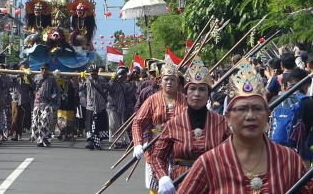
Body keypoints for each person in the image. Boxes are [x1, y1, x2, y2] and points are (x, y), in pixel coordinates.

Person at [178, 62, 313, 194]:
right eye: (242, 109)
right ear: (228, 117)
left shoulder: (289, 160)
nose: (250, 116)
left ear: (268, 114)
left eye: (257, 108)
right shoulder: (209, 163)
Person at [152, 59, 230, 194]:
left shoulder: (221, 122)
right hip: (182, 184)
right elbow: (157, 157)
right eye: (192, 89)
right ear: (186, 93)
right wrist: (163, 177)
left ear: (208, 94)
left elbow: (235, 152)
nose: (197, 94)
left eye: (202, 89)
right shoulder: (174, 123)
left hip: (213, 184)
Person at [132, 61, 187, 194]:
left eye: (172, 79)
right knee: (155, 186)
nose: (169, 82)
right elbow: (138, 122)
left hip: (178, 148)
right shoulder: (152, 100)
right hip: (154, 147)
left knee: (177, 185)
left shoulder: (186, 100)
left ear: (178, 82)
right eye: (166, 79)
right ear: (160, 81)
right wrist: (138, 144)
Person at [79, 64, 110, 150]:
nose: (94, 76)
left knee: (98, 125)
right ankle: (90, 142)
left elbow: (109, 88)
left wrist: (112, 80)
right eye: (92, 74)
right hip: (90, 107)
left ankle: (97, 142)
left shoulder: (101, 80)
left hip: (100, 107)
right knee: (90, 126)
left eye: (95, 74)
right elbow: (79, 88)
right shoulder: (87, 80)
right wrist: (82, 79)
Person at [30, 63, 61, 147]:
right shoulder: (36, 77)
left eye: (45, 69)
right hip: (37, 103)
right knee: (37, 122)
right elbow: (32, 87)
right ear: (40, 69)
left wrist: (58, 101)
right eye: (42, 69)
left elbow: (58, 90)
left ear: (48, 70)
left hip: (47, 103)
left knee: (45, 121)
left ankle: (45, 138)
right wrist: (28, 77)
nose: (44, 70)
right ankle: (40, 140)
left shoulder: (52, 79)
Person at [107, 66, 130, 149]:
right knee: (113, 125)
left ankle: (122, 141)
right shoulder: (113, 83)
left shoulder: (123, 84)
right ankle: (114, 141)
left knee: (121, 125)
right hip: (113, 107)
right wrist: (113, 79)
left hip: (121, 107)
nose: (126, 77)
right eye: (124, 75)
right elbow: (108, 88)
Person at [11, 61, 34, 141]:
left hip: (25, 100)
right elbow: (10, 81)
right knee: (15, 118)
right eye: (23, 67)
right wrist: (18, 75)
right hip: (16, 100)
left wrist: (29, 77)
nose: (24, 68)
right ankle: (15, 134)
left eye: (26, 67)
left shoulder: (28, 77)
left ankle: (19, 135)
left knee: (22, 119)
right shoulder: (15, 76)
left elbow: (33, 86)